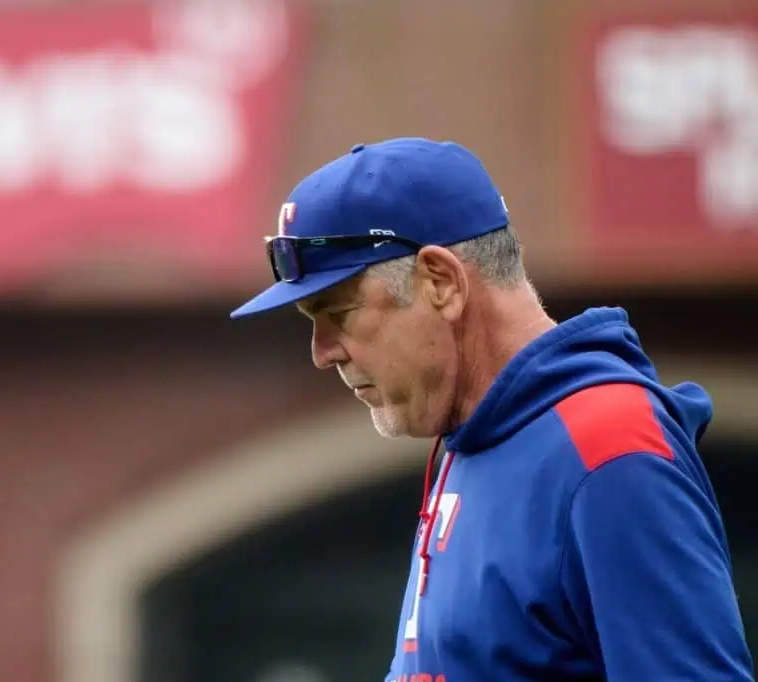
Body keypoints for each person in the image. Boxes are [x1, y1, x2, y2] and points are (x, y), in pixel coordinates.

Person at [229, 137, 755, 681]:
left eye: (338, 312)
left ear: (441, 282)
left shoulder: (608, 447)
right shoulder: (476, 435)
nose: (322, 352)